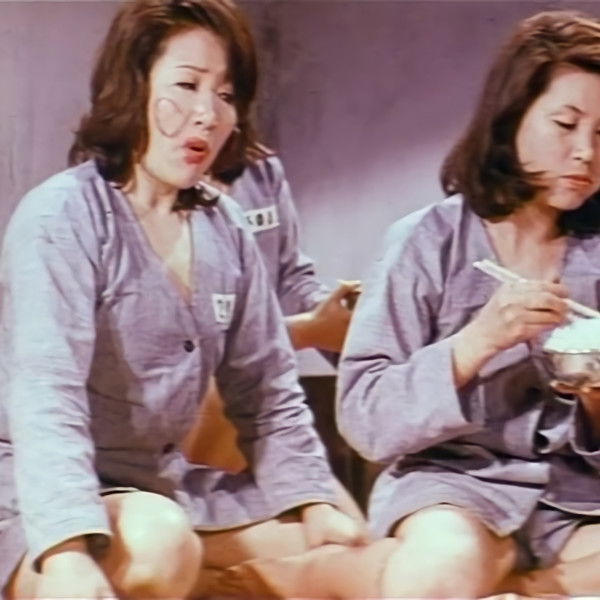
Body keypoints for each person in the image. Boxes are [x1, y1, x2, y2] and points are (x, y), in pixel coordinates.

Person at [0, 1, 366, 598]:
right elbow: (47, 399)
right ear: (134, 86)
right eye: (188, 85)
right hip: (34, 493)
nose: (208, 114)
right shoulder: (61, 216)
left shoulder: (227, 228)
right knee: (160, 541)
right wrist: (65, 551)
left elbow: (268, 393)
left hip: (159, 489)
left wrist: (315, 503)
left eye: (225, 95)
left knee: (346, 553)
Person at [334, 9, 600, 598]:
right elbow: (364, 417)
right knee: (435, 576)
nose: (585, 151)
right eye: (565, 123)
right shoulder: (427, 242)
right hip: (454, 488)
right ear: (512, 117)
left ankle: (525, 587)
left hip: (577, 500)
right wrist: (478, 340)